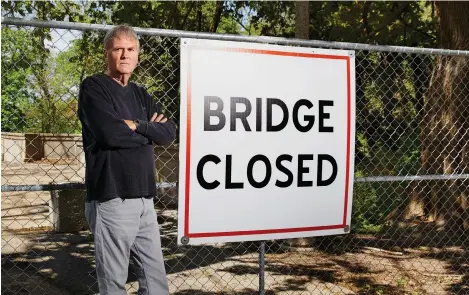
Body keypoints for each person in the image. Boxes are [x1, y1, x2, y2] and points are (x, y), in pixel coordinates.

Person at [78, 24, 175, 295]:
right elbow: (110, 134)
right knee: (113, 286)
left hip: (145, 199)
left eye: (130, 49)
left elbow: (168, 133)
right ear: (107, 52)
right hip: (112, 197)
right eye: (118, 49)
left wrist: (136, 125)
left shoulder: (141, 94)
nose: (124, 55)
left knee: (156, 285)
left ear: (137, 55)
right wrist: (148, 131)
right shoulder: (94, 87)